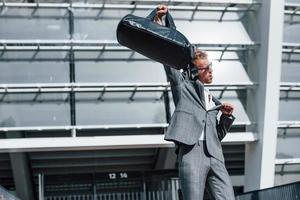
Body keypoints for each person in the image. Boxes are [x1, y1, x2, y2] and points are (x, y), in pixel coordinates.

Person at [154, 5, 236, 200]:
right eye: (207, 68)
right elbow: (169, 58)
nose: (211, 71)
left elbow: (216, 135)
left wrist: (225, 117)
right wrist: (160, 21)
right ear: (195, 71)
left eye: (211, 67)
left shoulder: (211, 99)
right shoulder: (183, 88)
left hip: (215, 156)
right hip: (192, 154)